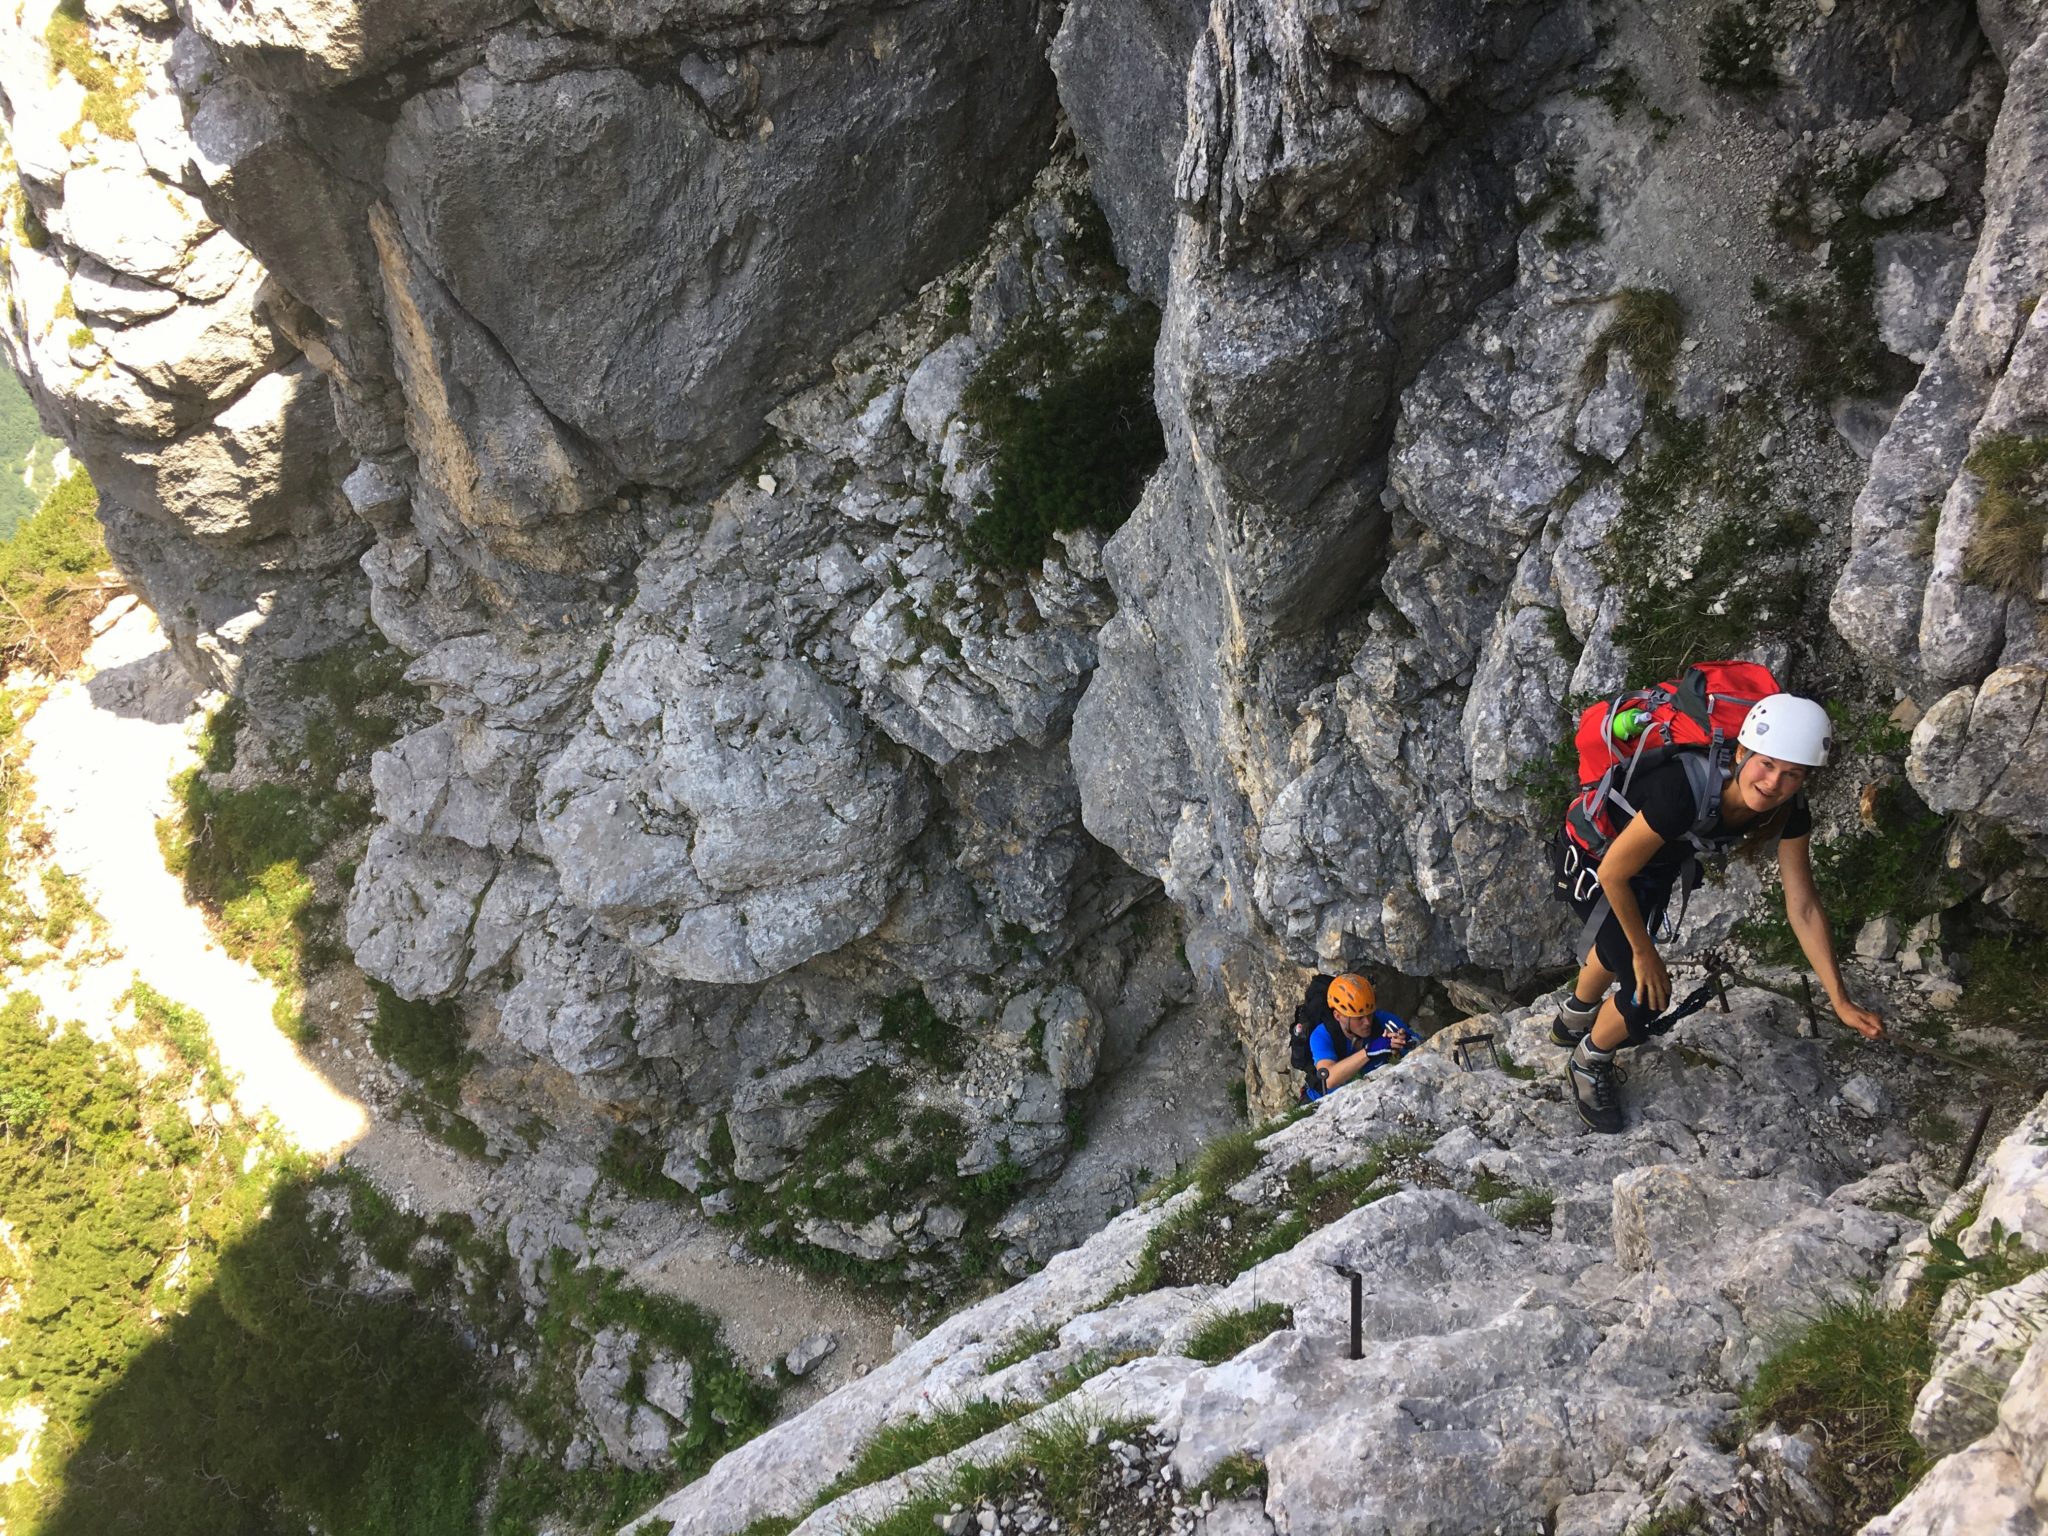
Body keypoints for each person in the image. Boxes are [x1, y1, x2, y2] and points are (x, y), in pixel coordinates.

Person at [1555, 692, 1884, 1133]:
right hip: (1595, 855)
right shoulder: (1682, 789)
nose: (1773, 783)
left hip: (1652, 861)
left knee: (1617, 946)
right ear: (1743, 751)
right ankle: (1588, 1061)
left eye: (1791, 775)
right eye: (1766, 764)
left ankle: (1573, 1019)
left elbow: (1802, 906)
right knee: (1645, 990)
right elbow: (1614, 875)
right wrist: (1645, 954)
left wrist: (1839, 1000)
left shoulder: (1788, 812)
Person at [1306, 973, 1420, 1101]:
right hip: (1323, 1099)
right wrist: (1369, 1051)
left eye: (1369, 1014)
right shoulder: (1322, 1035)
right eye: (1359, 1018)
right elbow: (1329, 1079)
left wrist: (1403, 1044)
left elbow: (1419, 1046)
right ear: (1338, 1016)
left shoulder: (1383, 1020)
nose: (1367, 1022)